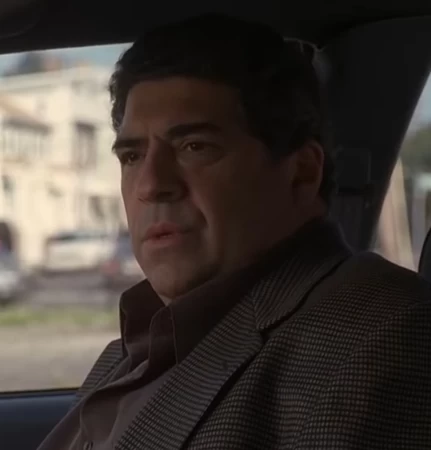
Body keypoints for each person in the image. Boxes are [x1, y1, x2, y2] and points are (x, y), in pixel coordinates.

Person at [37, 13, 431, 450]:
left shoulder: (383, 340)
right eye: (132, 157)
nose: (150, 185)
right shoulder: (143, 341)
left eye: (194, 146)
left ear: (301, 173)